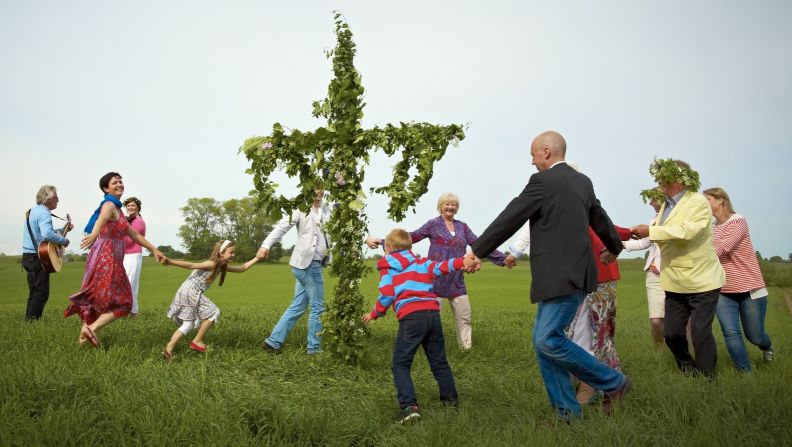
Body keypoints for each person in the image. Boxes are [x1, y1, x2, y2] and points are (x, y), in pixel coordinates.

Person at [468, 130, 630, 420]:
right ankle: (567, 414)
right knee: (544, 345)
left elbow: (511, 216)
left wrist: (476, 251)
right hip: (573, 274)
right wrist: (614, 246)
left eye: (533, 156)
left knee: (547, 340)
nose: (532, 162)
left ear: (546, 152)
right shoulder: (583, 181)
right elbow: (600, 216)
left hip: (559, 276)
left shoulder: (542, 181)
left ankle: (613, 382)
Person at [507, 219, 631, 404]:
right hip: (574, 278)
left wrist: (633, 234)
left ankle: (597, 386)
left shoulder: (577, 203)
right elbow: (530, 226)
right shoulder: (558, 204)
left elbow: (602, 227)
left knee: (596, 332)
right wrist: (514, 252)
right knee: (570, 333)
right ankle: (597, 386)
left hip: (597, 277)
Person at [367, 192, 507, 350]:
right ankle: (429, 348)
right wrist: (381, 241)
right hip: (435, 278)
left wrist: (503, 259)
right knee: (432, 319)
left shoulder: (463, 227)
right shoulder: (433, 224)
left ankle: (466, 350)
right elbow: (412, 237)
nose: (450, 207)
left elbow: (480, 244)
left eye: (453, 204)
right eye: (447, 204)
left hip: (456, 279)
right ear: (440, 206)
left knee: (465, 316)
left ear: (457, 208)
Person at [362, 228, 476, 423]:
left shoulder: (388, 267)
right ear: (410, 246)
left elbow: (388, 294)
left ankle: (409, 407)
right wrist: (461, 261)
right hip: (433, 315)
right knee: (439, 362)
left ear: (387, 248)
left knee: (401, 363)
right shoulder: (421, 263)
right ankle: (451, 404)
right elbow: (442, 267)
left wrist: (374, 313)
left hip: (411, 318)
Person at [631, 159, 725, 378]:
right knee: (671, 334)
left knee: (700, 334)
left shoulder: (698, 203)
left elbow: (687, 231)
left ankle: (707, 379)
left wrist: (652, 232)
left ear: (678, 179)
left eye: (663, 176)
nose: (658, 180)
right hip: (674, 281)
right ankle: (688, 369)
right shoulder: (666, 205)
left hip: (701, 280)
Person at [64, 172, 164, 347]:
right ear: (105, 188)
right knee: (125, 303)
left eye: (121, 181)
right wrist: (94, 234)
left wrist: (153, 249)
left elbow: (133, 234)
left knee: (97, 301)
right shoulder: (109, 204)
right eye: (115, 182)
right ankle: (91, 329)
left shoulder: (118, 209)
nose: (120, 184)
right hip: (106, 257)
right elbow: (102, 219)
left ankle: (82, 344)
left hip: (110, 256)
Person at [703, 187, 775, 372]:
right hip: (724, 290)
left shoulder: (738, 221)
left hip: (749, 288)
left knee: (755, 336)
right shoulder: (710, 228)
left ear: (720, 200)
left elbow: (722, 248)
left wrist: (698, 256)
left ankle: (767, 346)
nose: (703, 204)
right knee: (731, 332)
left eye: (707, 200)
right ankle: (745, 373)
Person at [161, 240, 262, 360]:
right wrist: (170, 261)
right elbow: (191, 265)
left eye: (234, 252)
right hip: (191, 291)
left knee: (188, 324)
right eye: (231, 252)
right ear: (221, 253)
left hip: (186, 291)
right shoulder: (212, 264)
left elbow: (242, 268)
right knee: (214, 312)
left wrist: (257, 258)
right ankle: (197, 341)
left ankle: (168, 349)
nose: (234, 254)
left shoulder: (221, 266)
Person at [258, 188, 330, 355]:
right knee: (318, 307)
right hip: (308, 264)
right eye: (315, 188)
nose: (319, 191)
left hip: (312, 263)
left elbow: (342, 227)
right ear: (308, 188)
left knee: (298, 306)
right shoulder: (301, 208)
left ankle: (272, 342)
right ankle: (314, 349)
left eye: (322, 188)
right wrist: (265, 245)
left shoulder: (326, 209)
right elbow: (282, 227)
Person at [21, 185, 73, 320]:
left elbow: (43, 234)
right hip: (38, 256)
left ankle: (29, 319)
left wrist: (64, 229)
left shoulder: (33, 211)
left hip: (28, 256)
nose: (58, 200)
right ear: (47, 198)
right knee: (41, 292)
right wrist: (64, 241)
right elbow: (47, 234)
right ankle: (32, 322)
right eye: (56, 197)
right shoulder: (44, 213)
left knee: (34, 290)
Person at [622, 190, 665, 348]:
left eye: (653, 199)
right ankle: (660, 351)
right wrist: (615, 239)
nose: (651, 203)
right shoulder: (654, 220)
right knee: (655, 321)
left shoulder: (679, 219)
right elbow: (642, 243)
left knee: (681, 322)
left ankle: (682, 355)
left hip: (677, 275)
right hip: (655, 275)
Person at [122, 197, 146, 316]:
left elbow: (131, 239)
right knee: (131, 283)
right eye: (128, 206)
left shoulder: (137, 221)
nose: (130, 208)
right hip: (127, 254)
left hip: (133, 254)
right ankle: (133, 311)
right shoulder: (130, 220)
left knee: (129, 282)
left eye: (133, 206)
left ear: (138, 208)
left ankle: (126, 310)